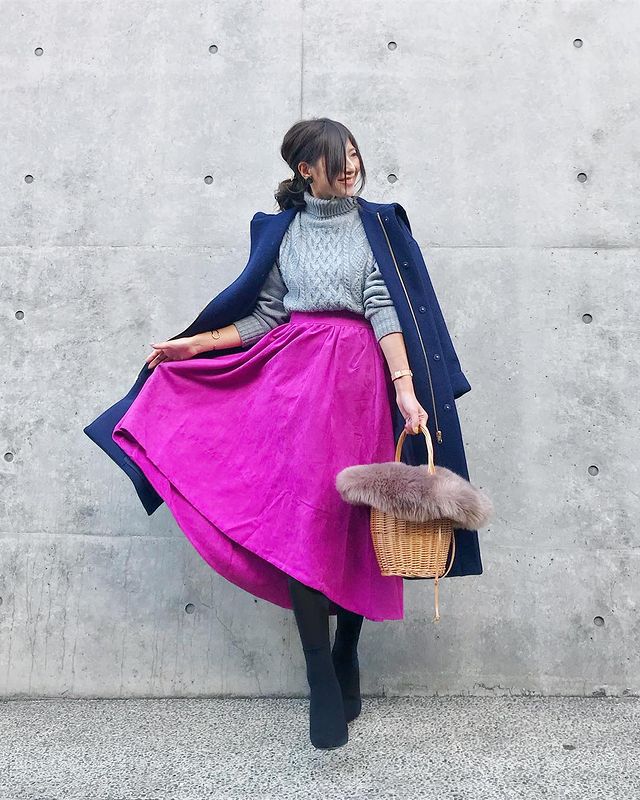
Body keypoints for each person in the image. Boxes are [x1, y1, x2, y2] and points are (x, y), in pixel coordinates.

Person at [111, 118, 430, 750]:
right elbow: (267, 313)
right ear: (306, 168)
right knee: (303, 521)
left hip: (357, 384)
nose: (351, 166)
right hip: (293, 384)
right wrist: (196, 344)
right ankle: (320, 677)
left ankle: (346, 651)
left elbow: (384, 307)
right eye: (338, 157)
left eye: (355, 154)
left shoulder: (376, 225)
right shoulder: (282, 231)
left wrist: (404, 388)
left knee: (356, 519)